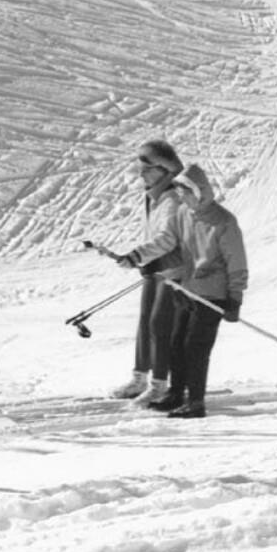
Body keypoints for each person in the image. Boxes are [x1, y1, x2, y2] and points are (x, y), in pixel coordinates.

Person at [144, 165, 248, 418]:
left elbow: (237, 262)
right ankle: (176, 393)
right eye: (179, 193)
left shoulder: (224, 221)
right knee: (176, 343)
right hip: (187, 289)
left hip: (212, 294)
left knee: (195, 348)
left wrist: (235, 299)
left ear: (199, 192)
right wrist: (160, 266)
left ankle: (196, 402)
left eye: (185, 193)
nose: (181, 198)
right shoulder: (183, 213)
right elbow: (178, 248)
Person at [110, 141, 191, 399]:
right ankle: (139, 379)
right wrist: (145, 261)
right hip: (157, 268)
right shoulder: (154, 197)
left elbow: (167, 239)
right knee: (146, 321)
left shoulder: (172, 199)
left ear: (165, 171)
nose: (141, 174)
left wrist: (137, 257)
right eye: (140, 169)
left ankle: (159, 385)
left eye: (148, 169)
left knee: (160, 324)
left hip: (174, 270)